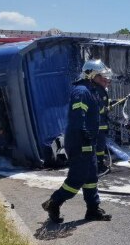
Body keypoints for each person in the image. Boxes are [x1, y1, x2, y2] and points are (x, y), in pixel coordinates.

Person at [41, 59, 114, 223]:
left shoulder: (91, 91)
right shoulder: (81, 91)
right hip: (80, 141)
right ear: (91, 75)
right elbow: (77, 115)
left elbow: (96, 112)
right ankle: (54, 202)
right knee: (77, 178)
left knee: (90, 178)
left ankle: (93, 209)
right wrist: (83, 131)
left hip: (88, 141)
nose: (105, 79)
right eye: (102, 76)